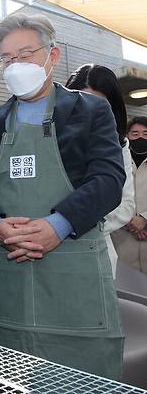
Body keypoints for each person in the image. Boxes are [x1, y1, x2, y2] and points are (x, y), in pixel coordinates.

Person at [0, 13, 125, 379]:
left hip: (74, 267)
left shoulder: (91, 110)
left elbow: (108, 179)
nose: (16, 65)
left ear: (52, 56)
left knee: (81, 378)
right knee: (10, 375)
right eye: (7, 59)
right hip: (10, 271)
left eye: (26, 53)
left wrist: (57, 224)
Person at [66, 64, 135, 277]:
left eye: (100, 104)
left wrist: (67, 225)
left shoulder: (119, 146)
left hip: (96, 251)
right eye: (82, 102)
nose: (90, 112)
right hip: (47, 254)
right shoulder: (48, 139)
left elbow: (126, 206)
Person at [111, 116, 147, 273]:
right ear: (127, 136)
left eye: (146, 134)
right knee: (125, 286)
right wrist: (129, 220)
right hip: (122, 234)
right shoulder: (117, 162)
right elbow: (109, 193)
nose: (141, 138)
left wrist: (144, 218)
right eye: (135, 134)